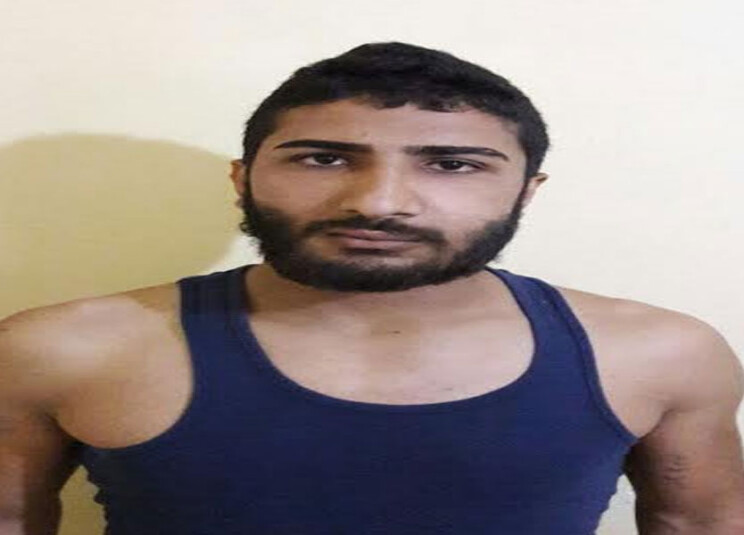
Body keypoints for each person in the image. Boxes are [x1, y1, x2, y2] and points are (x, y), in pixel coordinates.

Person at [0, 42, 742, 535]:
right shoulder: (60, 348)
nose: (380, 202)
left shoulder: (659, 353)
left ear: (527, 191)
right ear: (243, 178)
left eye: (452, 164)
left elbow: (703, 524)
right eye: (322, 158)